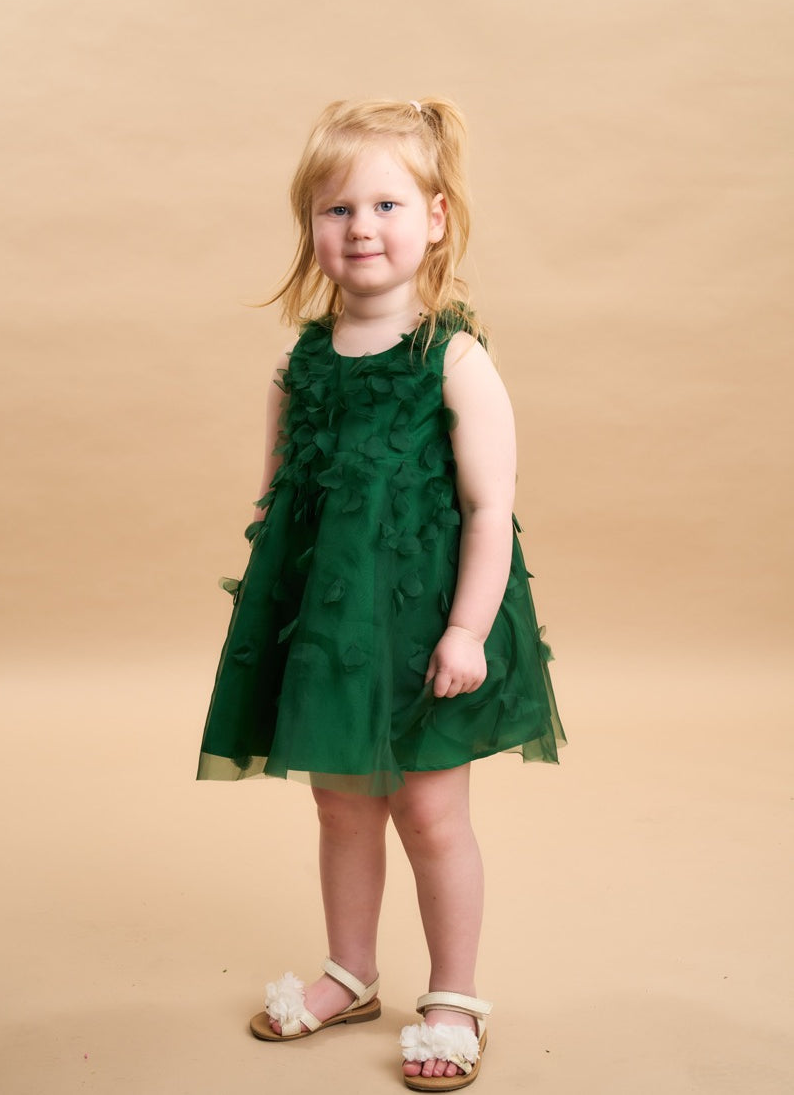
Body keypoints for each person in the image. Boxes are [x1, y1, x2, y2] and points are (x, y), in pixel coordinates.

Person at [197, 96, 565, 1091]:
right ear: (311, 227)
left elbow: (490, 507)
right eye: (337, 210)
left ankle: (453, 995)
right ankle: (349, 972)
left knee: (431, 814)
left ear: (435, 219)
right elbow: (279, 502)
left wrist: (467, 629)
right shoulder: (300, 364)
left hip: (428, 626)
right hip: (333, 633)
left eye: (386, 205)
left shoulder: (453, 358)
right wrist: (283, 628)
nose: (361, 227)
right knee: (341, 806)